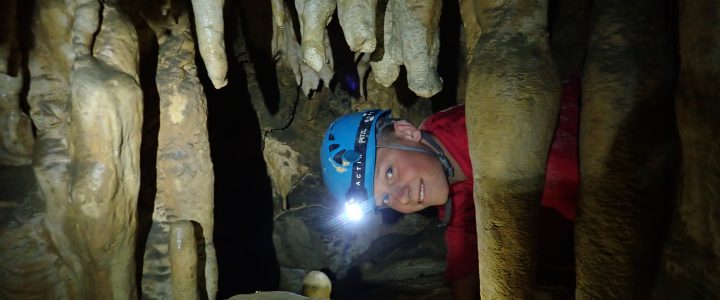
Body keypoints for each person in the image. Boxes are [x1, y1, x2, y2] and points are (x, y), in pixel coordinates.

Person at [319, 78, 580, 299]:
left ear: (407, 133)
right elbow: (463, 237)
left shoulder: (491, 128)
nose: (402, 197)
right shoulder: (451, 174)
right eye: (384, 200)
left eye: (389, 173)